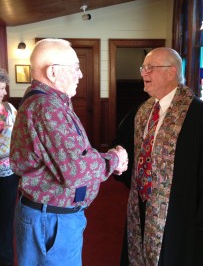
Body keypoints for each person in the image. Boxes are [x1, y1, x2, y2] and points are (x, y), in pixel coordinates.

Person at [10, 38, 128, 266]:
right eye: (75, 68)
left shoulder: (47, 100)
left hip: (46, 216)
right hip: (52, 221)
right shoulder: (47, 107)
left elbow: (74, 154)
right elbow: (76, 171)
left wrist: (105, 159)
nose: (80, 75)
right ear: (53, 72)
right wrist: (115, 158)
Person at [126, 47, 203, 265]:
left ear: (171, 72)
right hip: (143, 208)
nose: (144, 73)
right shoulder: (144, 110)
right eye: (143, 67)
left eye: (150, 68)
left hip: (182, 217)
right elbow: (125, 149)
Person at [0, 69, 18, 266]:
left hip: (8, 175)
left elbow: (21, 135)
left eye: (4, 88)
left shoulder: (10, 109)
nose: (4, 92)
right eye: (1, 89)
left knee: (5, 223)